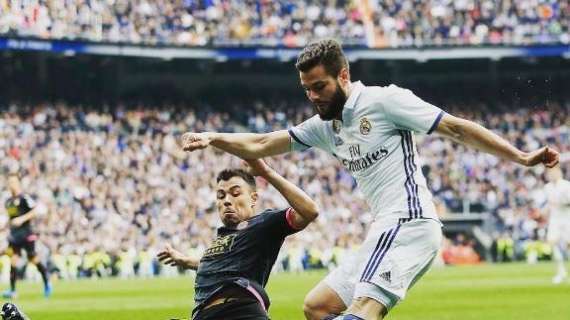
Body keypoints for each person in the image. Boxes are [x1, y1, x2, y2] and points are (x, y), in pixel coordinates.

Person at [178, 39, 559, 320]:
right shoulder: (327, 125)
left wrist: (521, 156)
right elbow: (263, 142)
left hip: (409, 222)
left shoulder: (384, 101)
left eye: (319, 87)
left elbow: (456, 128)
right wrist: (215, 138)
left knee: (363, 310)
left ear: (343, 75)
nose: (312, 96)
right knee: (318, 307)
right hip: (382, 229)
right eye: (306, 89)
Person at [157, 158, 318, 320]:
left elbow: (309, 211)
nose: (226, 200)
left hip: (238, 312)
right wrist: (185, 261)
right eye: (221, 196)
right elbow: (218, 265)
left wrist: (266, 173)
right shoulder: (224, 236)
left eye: (235, 193)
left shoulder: (263, 224)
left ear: (253, 198)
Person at [3, 173, 52, 299]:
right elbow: (11, 219)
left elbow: (36, 210)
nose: (11, 184)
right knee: (13, 261)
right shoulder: (8, 202)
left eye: (13, 181)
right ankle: (13, 290)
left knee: (33, 259)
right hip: (14, 236)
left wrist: (22, 219)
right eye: (9, 182)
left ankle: (47, 282)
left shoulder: (24, 198)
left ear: (18, 183)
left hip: (26, 234)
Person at [543, 165, 570, 284]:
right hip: (555, 219)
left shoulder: (566, 185)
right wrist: (544, 211)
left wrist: (561, 202)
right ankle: (561, 272)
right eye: (550, 173)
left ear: (559, 173)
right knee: (552, 242)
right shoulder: (547, 187)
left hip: (566, 217)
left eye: (554, 172)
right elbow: (549, 203)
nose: (552, 175)